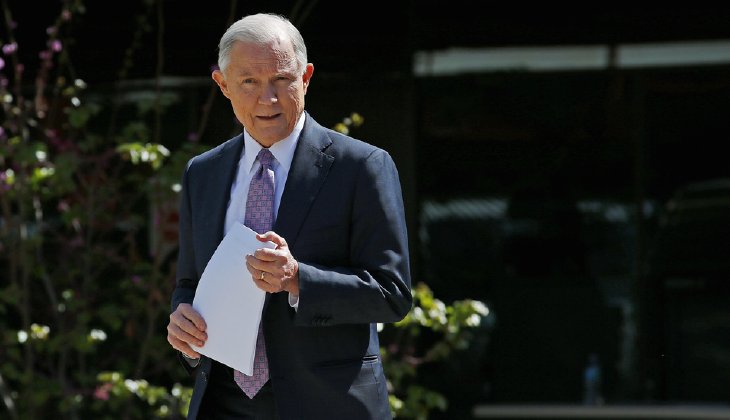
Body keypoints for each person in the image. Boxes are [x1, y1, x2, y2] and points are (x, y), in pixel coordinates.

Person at [165, 12, 412, 420]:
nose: (268, 99)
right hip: (224, 404)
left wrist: (297, 279)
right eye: (249, 82)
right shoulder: (202, 173)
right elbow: (190, 284)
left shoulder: (361, 167)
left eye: (281, 79)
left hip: (328, 405)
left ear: (306, 77)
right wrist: (183, 325)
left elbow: (392, 294)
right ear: (223, 85)